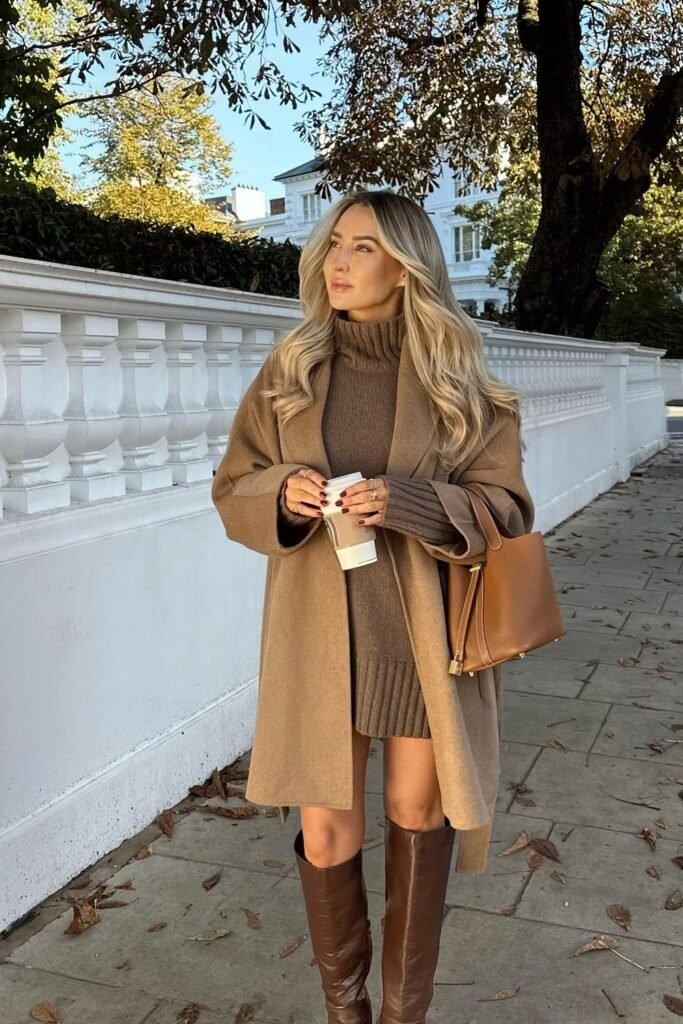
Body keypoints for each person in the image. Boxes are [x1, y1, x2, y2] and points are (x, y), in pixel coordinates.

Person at [211, 188, 535, 1023]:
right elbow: (232, 487)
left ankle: (401, 1015)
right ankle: (345, 1014)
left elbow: (506, 511)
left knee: (415, 814)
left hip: (421, 642)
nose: (338, 262)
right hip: (318, 641)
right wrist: (285, 491)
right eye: (331, 246)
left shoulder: (464, 385)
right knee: (324, 836)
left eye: (360, 246)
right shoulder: (290, 372)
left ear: (406, 265)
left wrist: (417, 504)